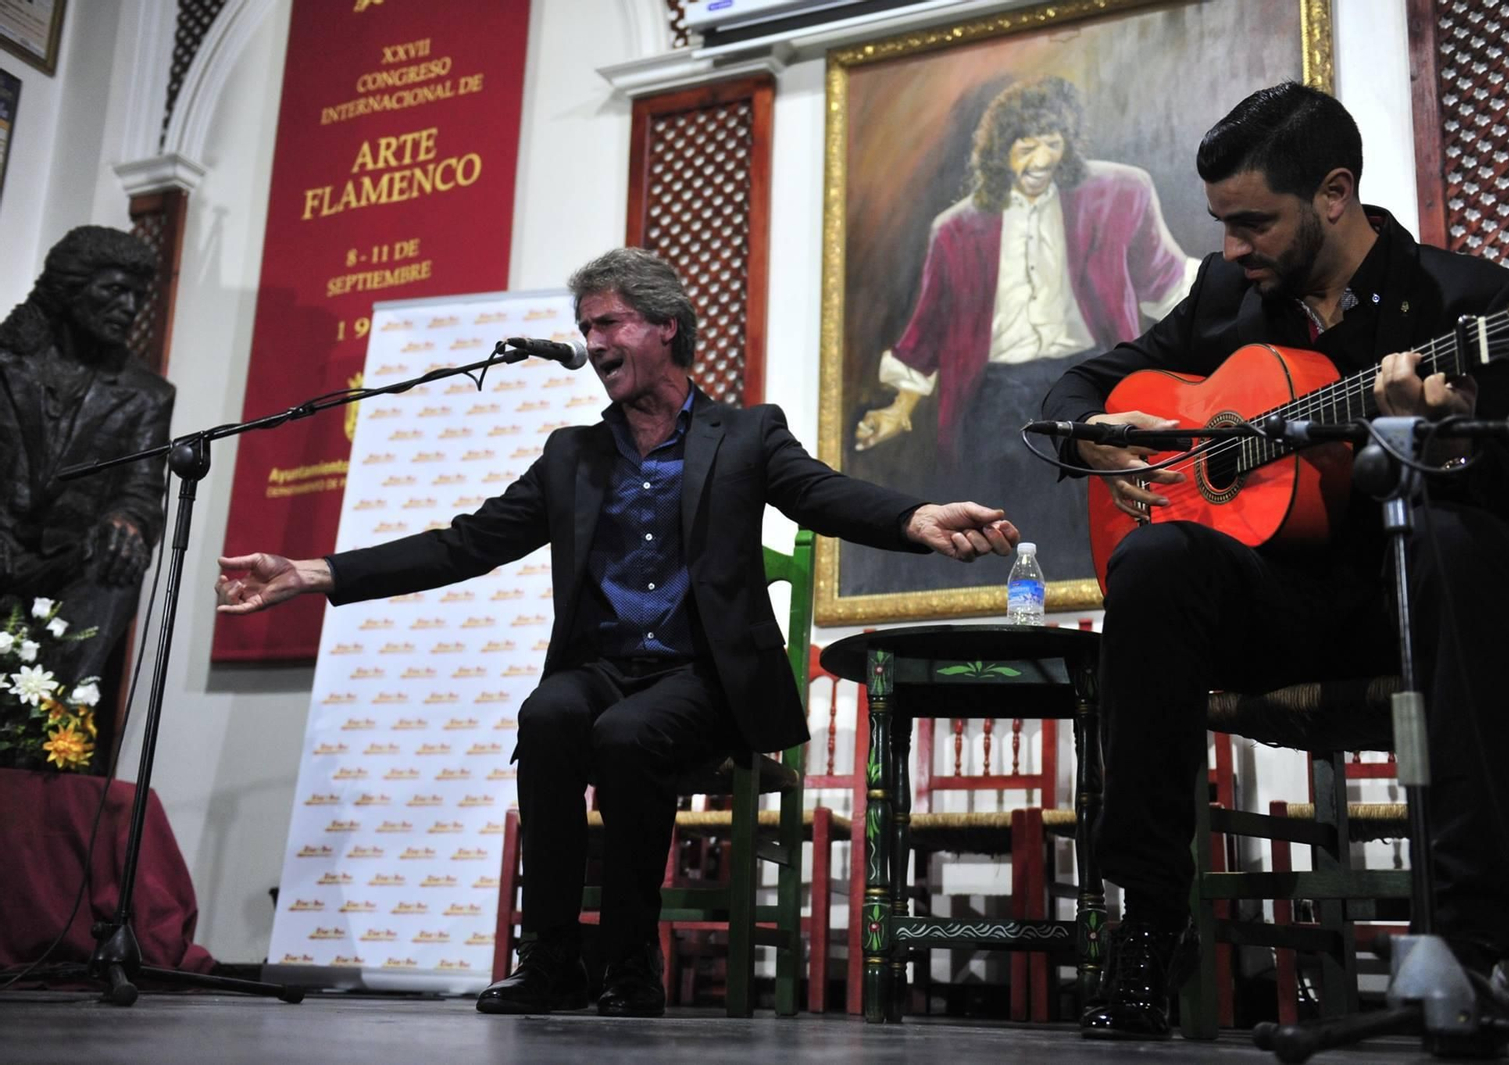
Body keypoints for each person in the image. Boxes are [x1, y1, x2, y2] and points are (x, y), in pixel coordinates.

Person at [215, 247, 1020, 1017]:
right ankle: (552, 959)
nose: (593, 342)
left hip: (700, 678)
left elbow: (821, 494)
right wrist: (317, 571)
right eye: (587, 326)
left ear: (666, 325)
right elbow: (467, 542)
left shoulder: (745, 435)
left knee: (632, 735)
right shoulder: (574, 455)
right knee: (549, 714)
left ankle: (630, 958)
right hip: (602, 666)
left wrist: (914, 516)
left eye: (610, 323)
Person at [1042, 82, 1509, 1042]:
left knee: (1456, 540)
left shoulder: (1473, 304)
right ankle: (1148, 924)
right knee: (1155, 566)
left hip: (1427, 606)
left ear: (1334, 194)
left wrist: (1447, 438)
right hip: (1285, 609)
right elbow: (1092, 380)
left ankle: (1472, 947)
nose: (1230, 251)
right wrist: (1092, 436)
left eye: (1252, 223)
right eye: (1222, 225)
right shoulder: (1231, 298)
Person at [854, 75, 1196, 582]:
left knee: (1086, 526)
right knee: (1009, 532)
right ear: (1000, 150)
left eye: (1053, 143)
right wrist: (898, 409)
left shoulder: (1120, 192)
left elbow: (1166, 281)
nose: (1041, 159)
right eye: (1026, 145)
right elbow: (929, 328)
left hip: (1088, 384)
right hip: (993, 399)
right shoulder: (955, 229)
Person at [0, 226, 173, 687]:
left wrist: (128, 524)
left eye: (138, 295)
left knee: (121, 560)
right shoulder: (5, 361)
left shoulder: (146, 395)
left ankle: (50, 720)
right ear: (71, 288)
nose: (131, 308)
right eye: (115, 291)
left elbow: (141, 489)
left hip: (63, 559)